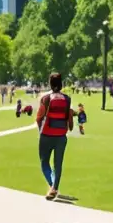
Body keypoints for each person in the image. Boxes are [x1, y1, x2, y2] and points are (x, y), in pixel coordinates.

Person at [36, 72, 74, 200]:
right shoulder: (67, 99)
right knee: (58, 164)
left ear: (50, 84)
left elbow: (39, 117)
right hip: (61, 136)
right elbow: (69, 117)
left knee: (44, 163)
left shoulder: (46, 98)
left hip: (46, 135)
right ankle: (54, 187)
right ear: (61, 84)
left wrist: (40, 129)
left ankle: (53, 187)